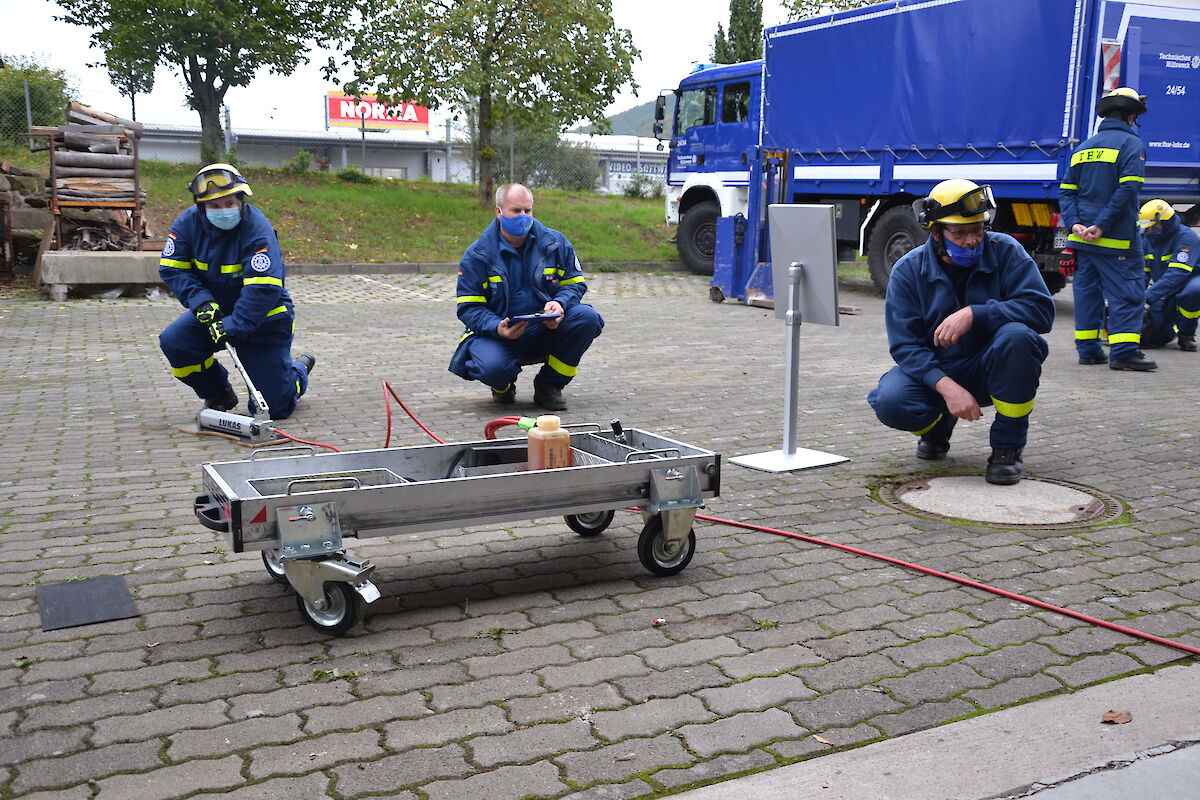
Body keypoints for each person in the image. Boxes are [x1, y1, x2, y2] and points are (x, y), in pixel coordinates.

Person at [867, 179, 1054, 485]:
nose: (972, 240)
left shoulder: (1007, 253)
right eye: (960, 232)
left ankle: (1008, 448)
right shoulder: (908, 271)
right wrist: (946, 387)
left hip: (992, 367)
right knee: (891, 401)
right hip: (940, 370)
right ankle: (938, 425)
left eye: (978, 229)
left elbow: (1041, 311)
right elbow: (906, 346)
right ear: (936, 231)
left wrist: (976, 313)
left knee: (1019, 338)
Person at [158, 163, 314, 419]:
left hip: (264, 319)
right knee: (176, 342)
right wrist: (201, 302)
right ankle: (218, 391)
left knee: (274, 409)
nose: (224, 211)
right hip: (216, 314)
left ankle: (297, 374)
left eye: (230, 203)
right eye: (214, 206)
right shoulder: (187, 224)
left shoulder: (257, 229)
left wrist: (234, 325)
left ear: (241, 201)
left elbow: (263, 287)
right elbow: (173, 269)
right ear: (201, 207)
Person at [448, 183, 604, 411]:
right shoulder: (478, 255)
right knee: (492, 368)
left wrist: (559, 304)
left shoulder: (555, 243)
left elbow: (575, 284)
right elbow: (469, 308)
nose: (523, 216)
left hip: (545, 329)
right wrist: (497, 327)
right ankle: (502, 386)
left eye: (527, 210)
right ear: (499, 211)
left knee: (587, 317)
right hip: (500, 334)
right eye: (516, 210)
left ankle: (549, 387)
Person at [1058, 87, 1156, 371]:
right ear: (1132, 115)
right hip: (1116, 241)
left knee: (1087, 295)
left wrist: (1075, 224)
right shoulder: (1131, 144)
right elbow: (1128, 190)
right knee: (1127, 294)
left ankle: (1088, 351)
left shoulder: (1084, 147)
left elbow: (1067, 191)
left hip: (1082, 240)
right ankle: (1124, 353)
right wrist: (1101, 225)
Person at [1138, 199, 1200, 352]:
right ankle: (1167, 332)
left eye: (1154, 227)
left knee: (1193, 292)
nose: (1151, 231)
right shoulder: (1148, 240)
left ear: (1166, 222)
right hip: (1164, 284)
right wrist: (1136, 296)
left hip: (1189, 280)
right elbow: (1143, 274)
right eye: (1148, 228)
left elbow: (1178, 273)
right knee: (1157, 335)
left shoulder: (1186, 237)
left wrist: (1149, 296)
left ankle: (1186, 335)